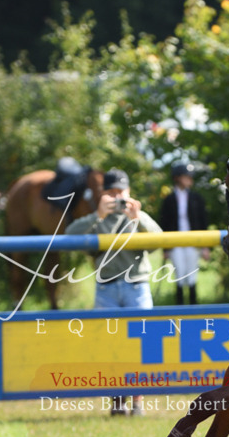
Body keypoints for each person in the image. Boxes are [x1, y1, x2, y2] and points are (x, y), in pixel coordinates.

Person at [66, 167, 162, 415]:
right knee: (110, 347)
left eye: (122, 192)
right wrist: (96, 215)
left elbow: (160, 238)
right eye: (112, 192)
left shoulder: (138, 217)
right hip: (106, 288)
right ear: (103, 194)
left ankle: (138, 400)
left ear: (130, 192)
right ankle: (117, 401)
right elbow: (69, 236)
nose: (118, 197)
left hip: (137, 287)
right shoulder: (96, 219)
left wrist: (137, 218)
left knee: (141, 345)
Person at [159, 161, 210, 304]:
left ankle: (193, 306)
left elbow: (202, 222)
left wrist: (205, 246)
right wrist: (165, 248)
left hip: (193, 241)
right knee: (179, 274)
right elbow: (164, 224)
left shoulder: (197, 198)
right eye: (186, 176)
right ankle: (179, 307)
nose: (190, 179)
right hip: (175, 241)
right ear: (177, 178)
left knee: (192, 273)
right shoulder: (168, 200)